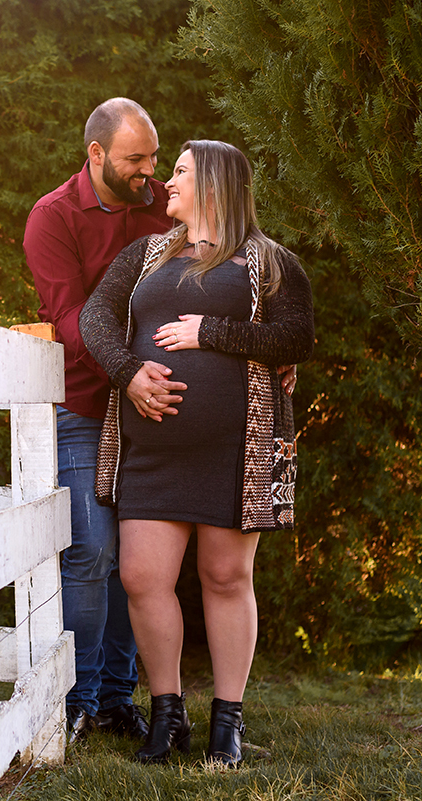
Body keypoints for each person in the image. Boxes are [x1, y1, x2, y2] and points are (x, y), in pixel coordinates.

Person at [80, 140, 314, 766]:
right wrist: (130, 372)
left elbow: (297, 335)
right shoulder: (146, 254)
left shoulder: (270, 262)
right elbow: (95, 319)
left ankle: (227, 725)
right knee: (142, 577)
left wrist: (209, 332)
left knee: (226, 576)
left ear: (214, 183)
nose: (167, 183)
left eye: (180, 172)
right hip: (152, 455)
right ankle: (168, 715)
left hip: (240, 453)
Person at [23, 97, 178, 743]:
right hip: (88, 403)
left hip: (157, 408)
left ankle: (118, 697)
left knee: (136, 561)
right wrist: (125, 371)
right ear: (96, 154)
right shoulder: (52, 218)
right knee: (91, 550)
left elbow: (231, 259)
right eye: (135, 159)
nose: (151, 171)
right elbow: (68, 318)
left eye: (154, 156)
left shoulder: (161, 198)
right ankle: (76, 698)